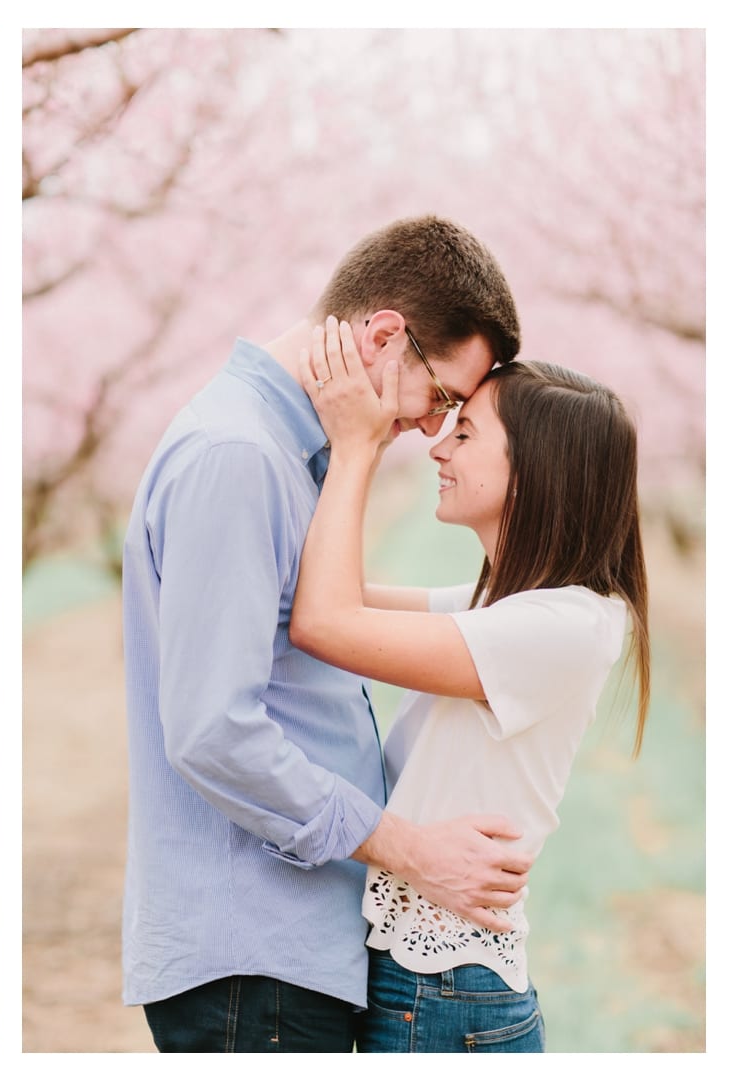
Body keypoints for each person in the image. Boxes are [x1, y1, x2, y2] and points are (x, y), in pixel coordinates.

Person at [121, 216, 533, 1052]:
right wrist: (409, 851)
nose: (431, 430)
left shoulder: (280, 453)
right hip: (252, 953)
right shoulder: (239, 456)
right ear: (385, 335)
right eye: (443, 396)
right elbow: (212, 730)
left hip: (281, 950)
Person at [290, 320, 648, 1052]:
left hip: (446, 991)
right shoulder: (502, 606)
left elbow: (324, 622)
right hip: (431, 983)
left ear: (536, 468)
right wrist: (374, 430)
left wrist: (358, 446)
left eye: (465, 432)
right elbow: (331, 592)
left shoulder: (561, 626)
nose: (438, 445)